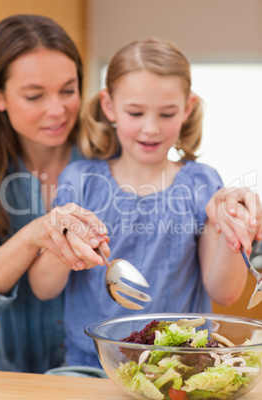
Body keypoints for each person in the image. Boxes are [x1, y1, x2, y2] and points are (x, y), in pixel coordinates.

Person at [28, 38, 262, 370]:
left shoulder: (202, 183)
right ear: (109, 106)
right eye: (135, 112)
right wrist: (67, 242)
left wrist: (235, 228)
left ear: (187, 108)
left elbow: (224, 293)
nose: (150, 128)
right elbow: (42, 288)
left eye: (166, 113)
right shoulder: (80, 181)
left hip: (184, 365)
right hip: (92, 366)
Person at [0, 14, 109, 373]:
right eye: (34, 95)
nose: (57, 110)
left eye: (68, 90)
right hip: (15, 379)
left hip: (104, 380)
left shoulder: (113, 155)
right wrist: (34, 233)